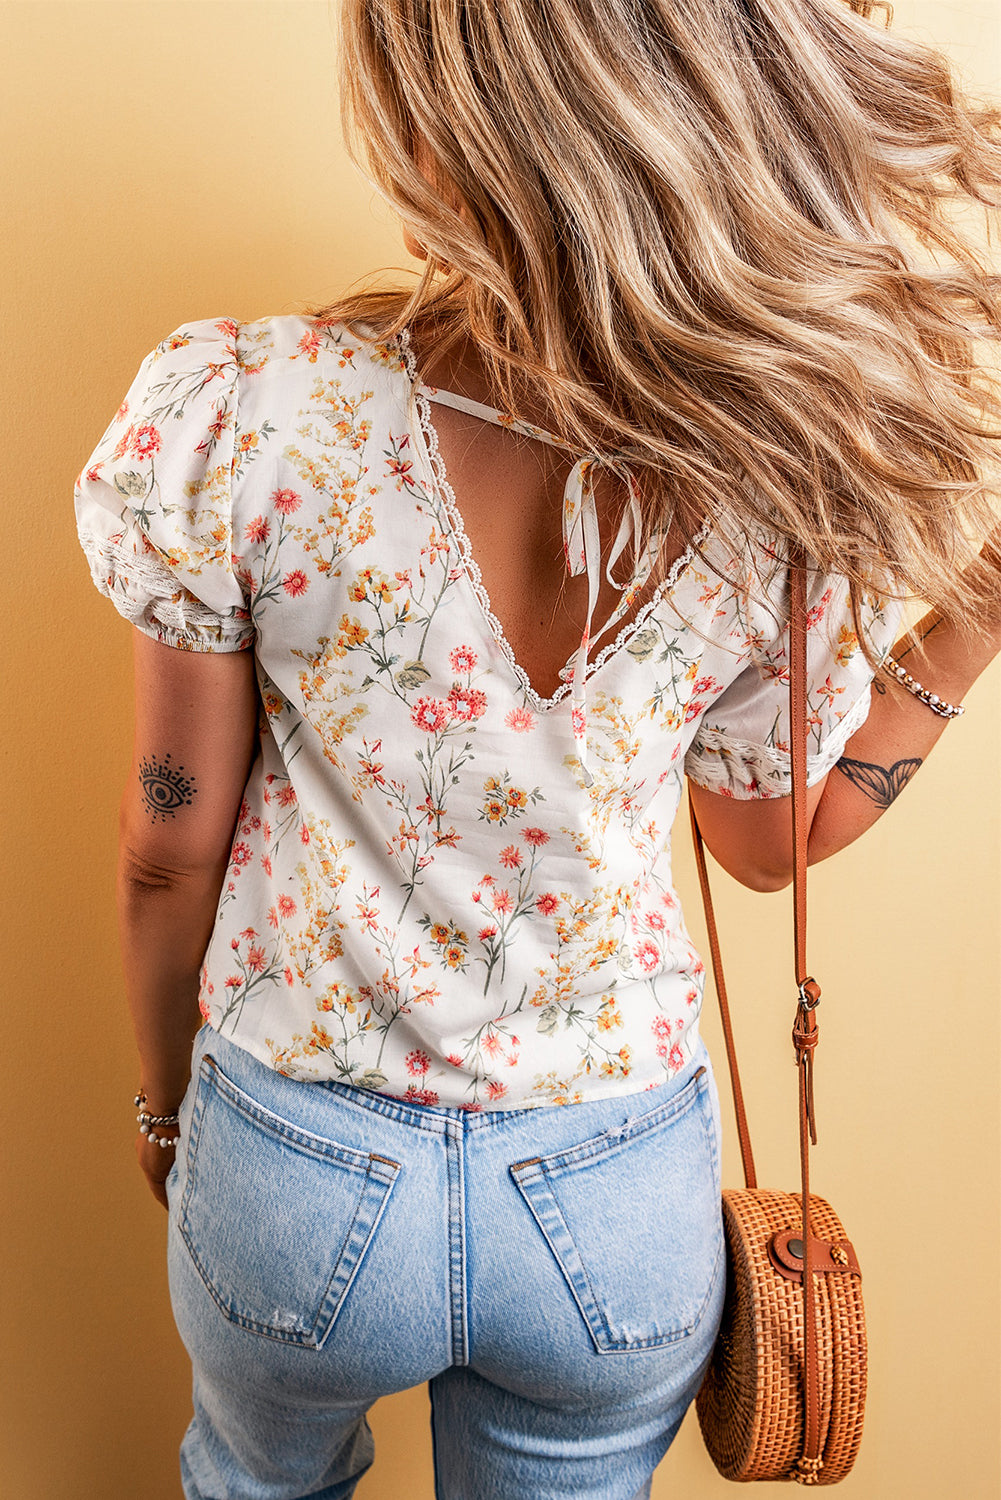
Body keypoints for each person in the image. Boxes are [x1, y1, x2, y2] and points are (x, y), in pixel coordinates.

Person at [74, 1, 1001, 1496]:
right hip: (609, 1187)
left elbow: (167, 844)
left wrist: (164, 1104)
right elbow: (767, 846)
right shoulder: (767, 464)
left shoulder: (250, 409)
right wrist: (970, 620)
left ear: (447, 126)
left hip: (296, 1160)